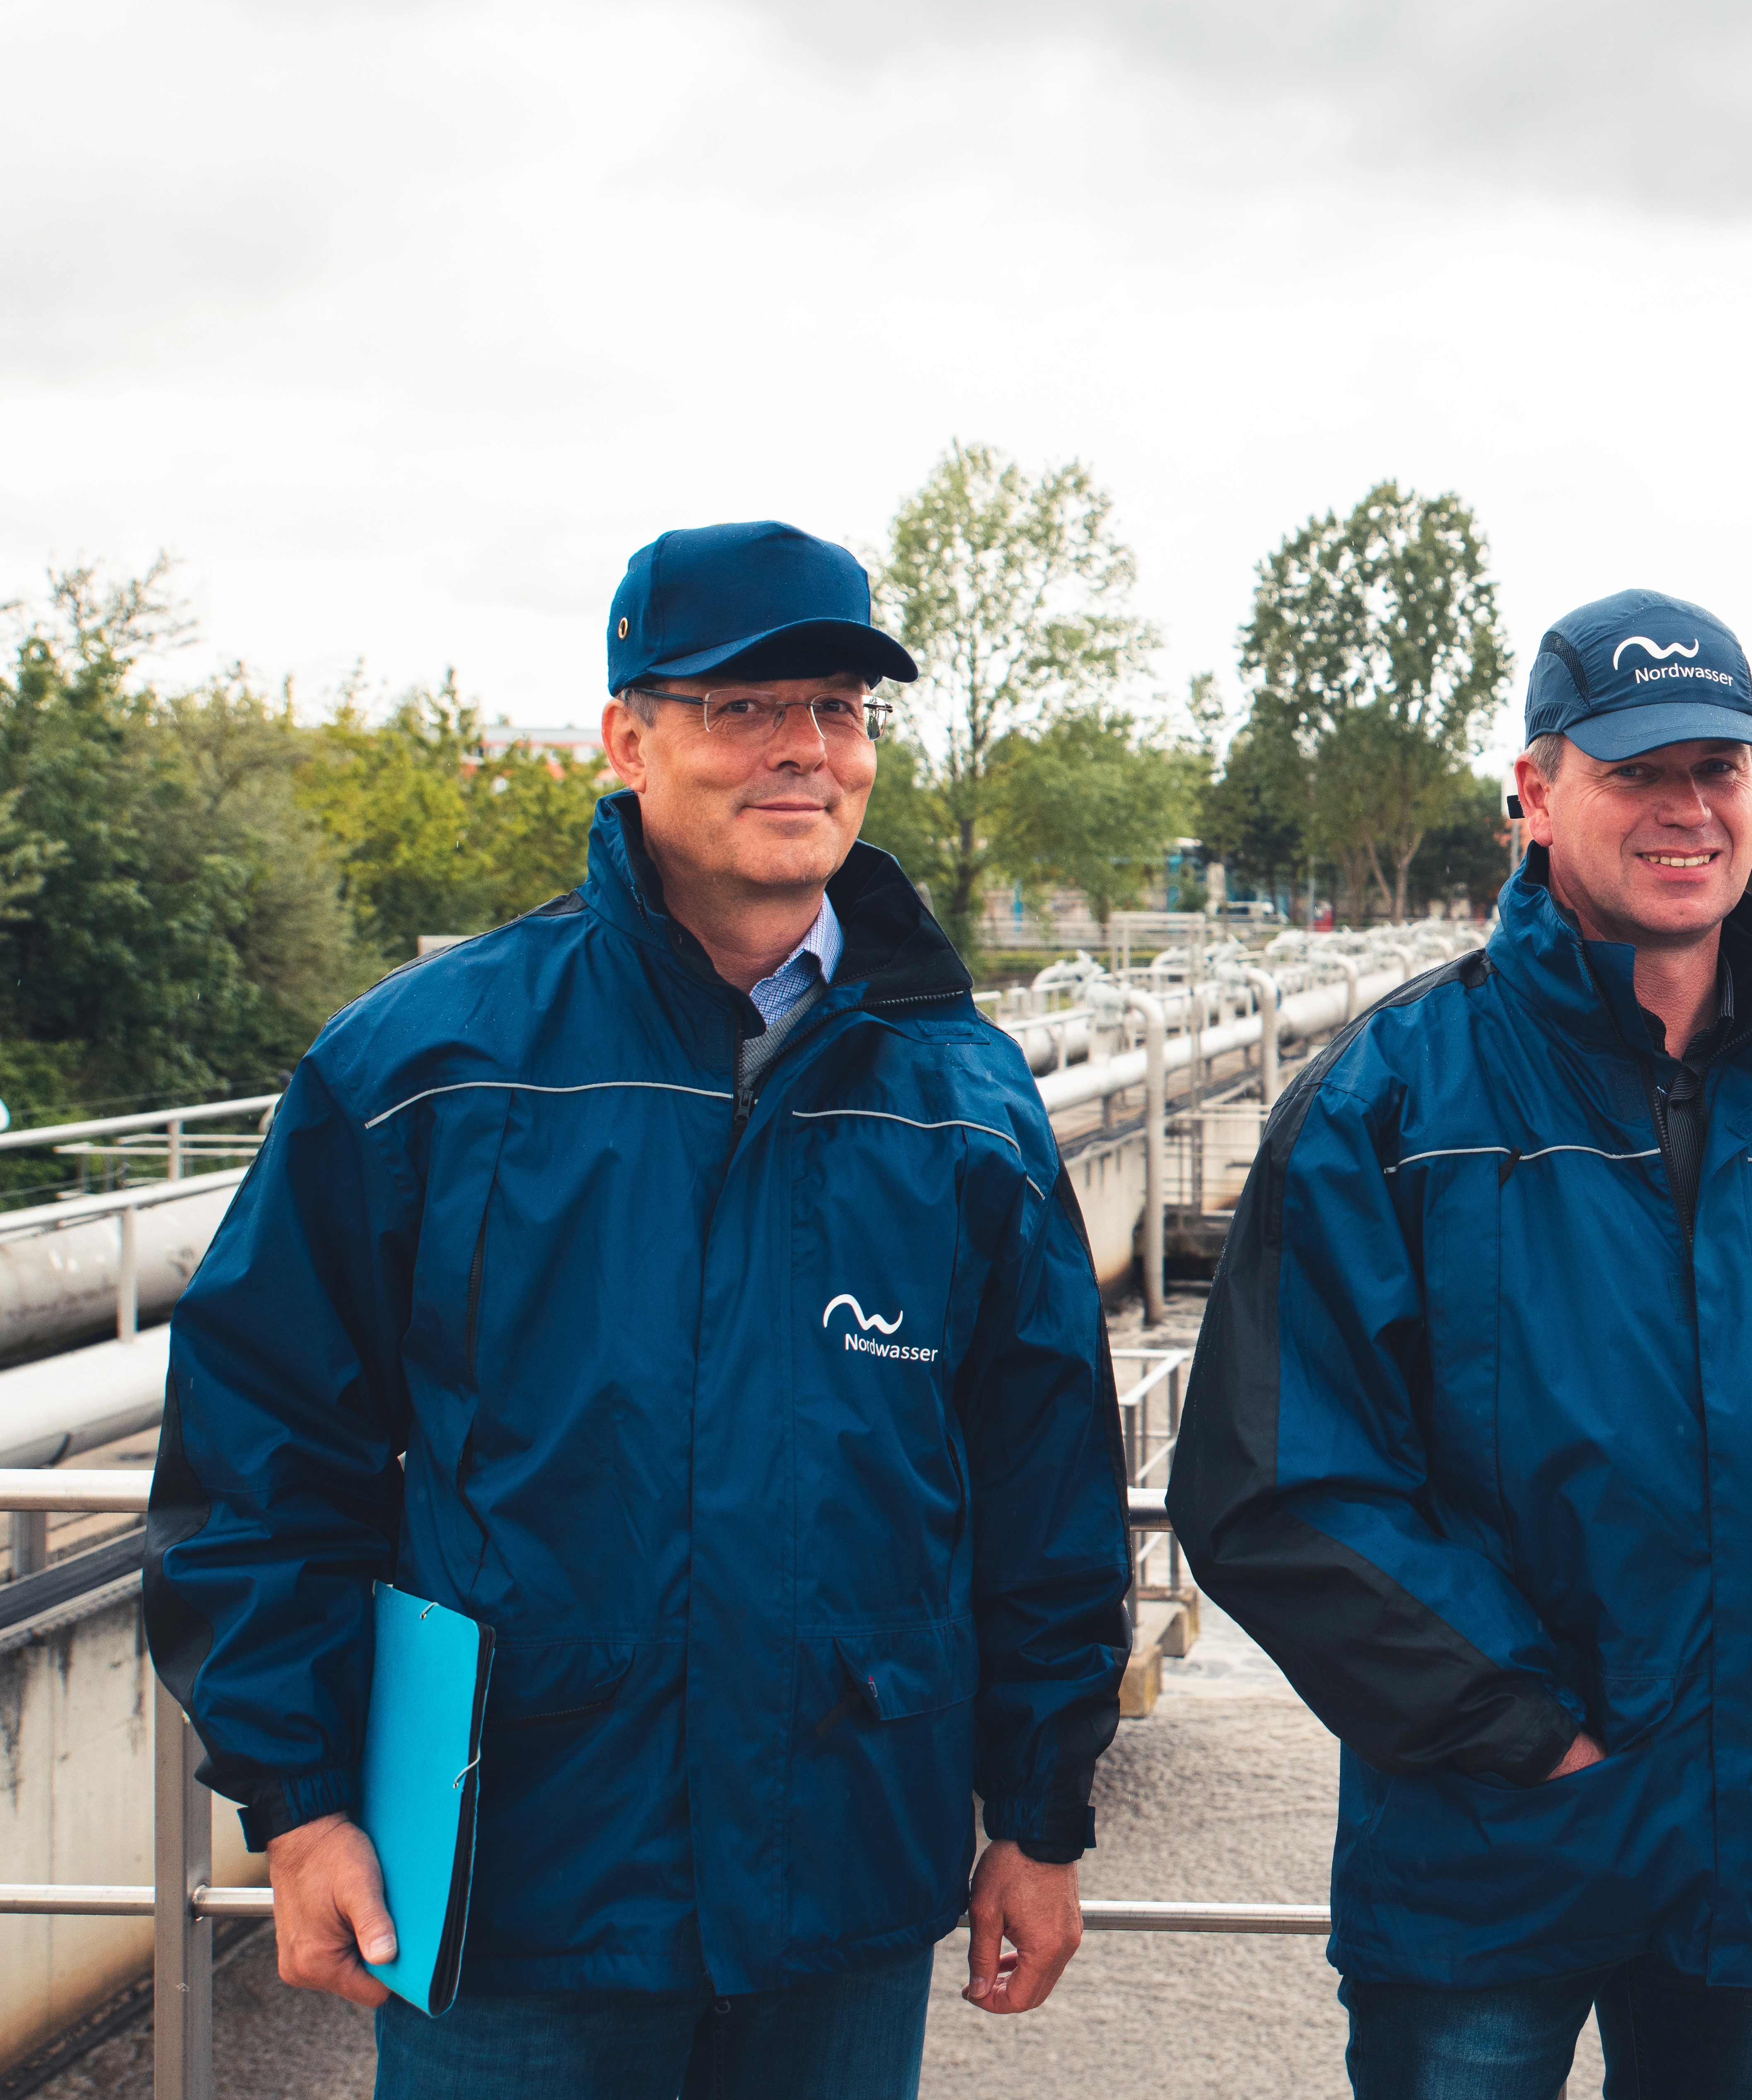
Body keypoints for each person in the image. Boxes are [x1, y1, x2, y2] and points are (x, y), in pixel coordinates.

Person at [144, 520, 1132, 2097]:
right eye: (746, 706)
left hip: (842, 1900)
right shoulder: (426, 1072)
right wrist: (304, 1797)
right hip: (518, 1893)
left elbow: (1046, 1494)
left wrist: (1040, 1811)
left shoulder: (963, 1105)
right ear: (629, 737)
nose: (803, 748)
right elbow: (263, 1460)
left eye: (839, 706)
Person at [1167, 589, 1752, 2098]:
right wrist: (1533, 1739)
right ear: (1536, 792)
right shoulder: (1391, 1109)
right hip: (1485, 1870)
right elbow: (1272, 1482)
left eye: (1723, 769)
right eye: (1640, 770)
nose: (1689, 808)